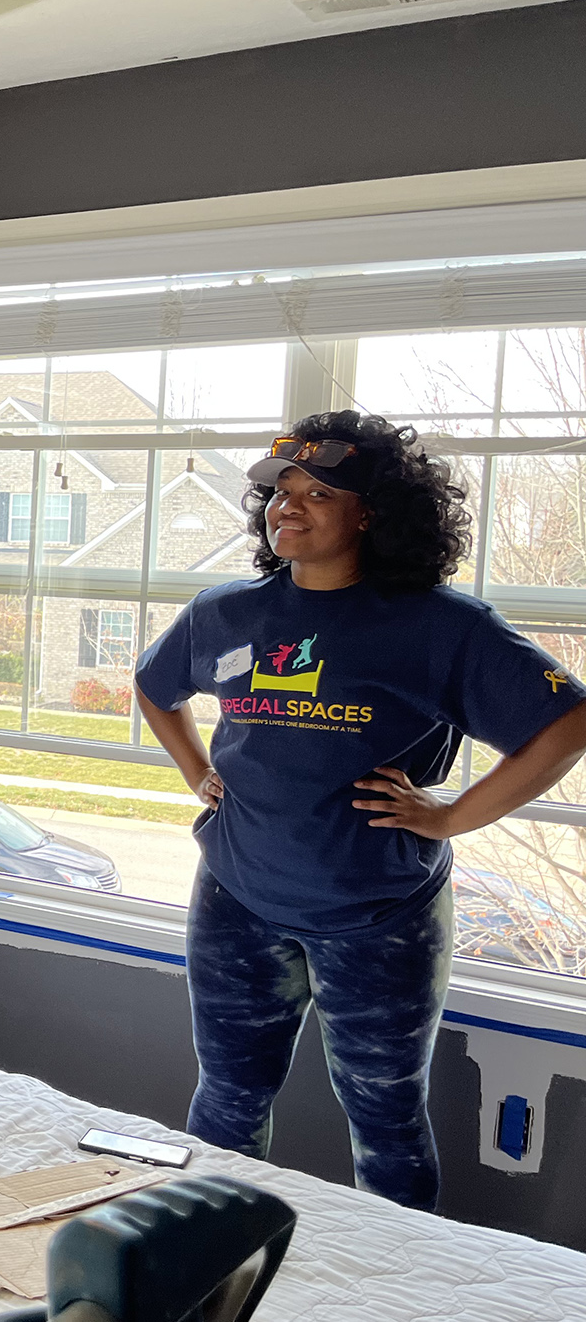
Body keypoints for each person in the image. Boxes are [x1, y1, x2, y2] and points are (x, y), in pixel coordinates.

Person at [136, 409, 586, 1211]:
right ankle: (207, 1260)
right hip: (239, 898)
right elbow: (154, 683)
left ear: (372, 513)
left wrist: (451, 816)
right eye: (280, 490)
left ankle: (400, 1286)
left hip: (380, 917)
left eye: (320, 492)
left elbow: (568, 721)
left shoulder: (441, 626)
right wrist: (197, 769)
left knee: (384, 1117)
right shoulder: (225, 613)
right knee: (228, 1100)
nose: (288, 506)